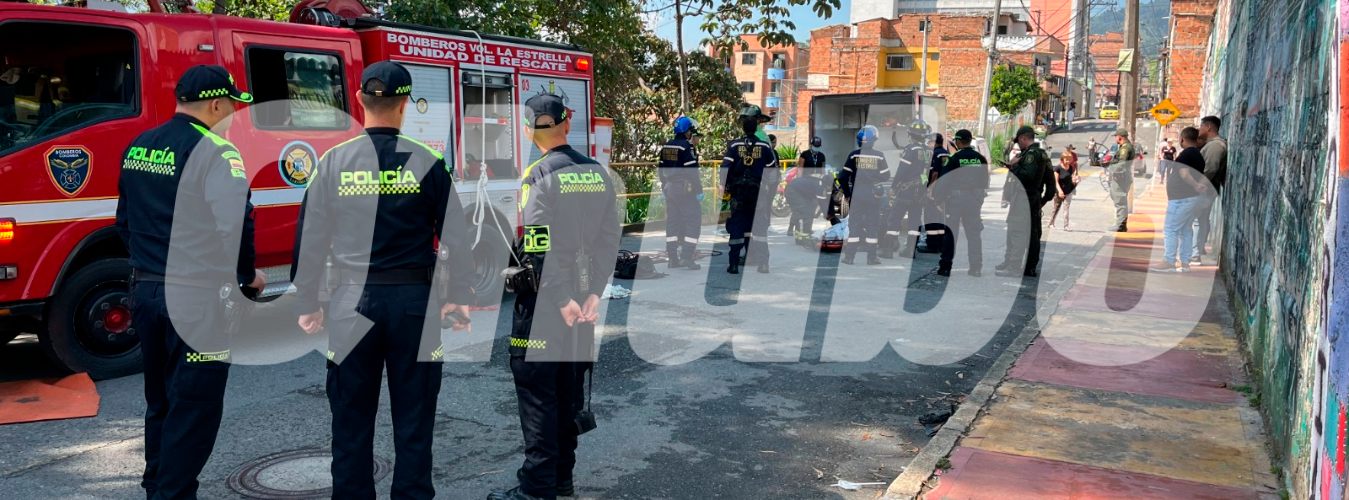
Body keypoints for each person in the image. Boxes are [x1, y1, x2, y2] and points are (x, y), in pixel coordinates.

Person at [291, 61, 474, 500]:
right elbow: (456, 235)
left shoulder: (333, 162)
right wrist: (457, 296)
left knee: (350, 418)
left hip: (351, 302)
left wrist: (308, 303)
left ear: (359, 100)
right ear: (405, 104)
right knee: (415, 418)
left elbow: (310, 238)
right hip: (416, 303)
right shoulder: (427, 161)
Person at [115, 64, 266, 500]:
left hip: (146, 290)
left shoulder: (139, 145)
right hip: (197, 300)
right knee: (194, 409)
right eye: (232, 105)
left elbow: (124, 223)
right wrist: (245, 278)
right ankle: (172, 494)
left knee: (160, 400)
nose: (233, 113)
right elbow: (237, 223)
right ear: (216, 103)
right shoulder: (218, 151)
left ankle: (156, 486)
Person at [491, 93, 621, 500]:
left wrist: (562, 298)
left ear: (530, 130)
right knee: (567, 393)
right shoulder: (597, 172)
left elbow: (537, 245)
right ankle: (561, 479)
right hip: (583, 303)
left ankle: (537, 489)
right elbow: (609, 240)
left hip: (549, 306)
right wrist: (592, 295)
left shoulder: (538, 174)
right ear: (568, 123)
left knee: (539, 396)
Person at [720, 105, 780, 274]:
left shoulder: (733, 146)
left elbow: (725, 168)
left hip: (738, 193)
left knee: (738, 227)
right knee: (759, 228)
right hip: (758, 192)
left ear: (742, 128)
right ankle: (763, 264)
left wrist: (722, 186)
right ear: (756, 128)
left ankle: (733, 264)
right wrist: (769, 191)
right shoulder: (765, 146)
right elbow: (771, 171)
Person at [995, 126, 1055, 277]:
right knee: (1032, 234)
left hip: (1024, 198)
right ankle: (1028, 266)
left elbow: (1026, 177)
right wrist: (1044, 199)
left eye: (1018, 141)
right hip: (1032, 198)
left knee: (1017, 232)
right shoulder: (1042, 154)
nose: (1017, 145)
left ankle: (1014, 266)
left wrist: (1013, 166)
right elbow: (1051, 182)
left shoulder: (1031, 155)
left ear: (1023, 138)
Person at [1151, 126, 1209, 273]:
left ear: (1182, 138)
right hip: (1191, 199)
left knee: (1170, 229)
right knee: (1185, 230)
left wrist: (1196, 186)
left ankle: (1169, 261)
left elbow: (1185, 174)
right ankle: (1185, 262)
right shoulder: (1198, 155)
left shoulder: (1185, 155)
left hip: (1181, 199)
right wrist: (1198, 186)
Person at [932, 129, 989, 277]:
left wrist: (938, 199)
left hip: (955, 201)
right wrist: (978, 201)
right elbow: (984, 183)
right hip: (974, 201)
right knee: (974, 234)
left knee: (951, 234)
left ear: (957, 142)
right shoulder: (980, 158)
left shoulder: (954, 158)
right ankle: (976, 268)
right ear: (970, 140)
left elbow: (944, 181)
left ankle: (945, 267)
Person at [837, 125, 892, 265]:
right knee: (872, 225)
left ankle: (849, 257)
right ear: (874, 140)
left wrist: (848, 194)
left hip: (856, 194)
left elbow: (843, 177)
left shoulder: (854, 155)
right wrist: (875, 179)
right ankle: (872, 258)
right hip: (873, 195)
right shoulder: (879, 155)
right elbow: (886, 175)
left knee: (854, 225)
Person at [659, 116, 703, 270]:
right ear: (687, 131)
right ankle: (686, 257)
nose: (691, 133)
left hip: (669, 189)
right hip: (684, 190)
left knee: (672, 223)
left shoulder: (666, 147)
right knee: (693, 221)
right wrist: (699, 190)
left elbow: (661, 169)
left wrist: (663, 187)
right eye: (691, 130)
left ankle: (672, 259)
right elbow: (692, 172)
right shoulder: (685, 147)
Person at [882, 120, 929, 258]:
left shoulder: (911, 149)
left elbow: (902, 170)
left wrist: (894, 187)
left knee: (894, 219)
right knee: (914, 221)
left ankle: (888, 250)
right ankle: (910, 250)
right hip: (920, 192)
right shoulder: (928, 151)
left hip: (906, 191)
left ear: (911, 135)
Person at [1193, 115, 1227, 263]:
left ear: (1208, 127)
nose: (1199, 129)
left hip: (1206, 189)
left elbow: (1211, 168)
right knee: (1201, 219)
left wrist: (1198, 185)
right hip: (1207, 188)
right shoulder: (1211, 144)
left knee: (1196, 221)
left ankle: (1194, 253)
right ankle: (1197, 250)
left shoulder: (1215, 145)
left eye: (1201, 126)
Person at [786, 150, 829, 247]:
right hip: (795, 190)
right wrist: (829, 216)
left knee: (809, 211)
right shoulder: (820, 185)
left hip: (804, 189)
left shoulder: (821, 156)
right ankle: (802, 237)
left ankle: (804, 234)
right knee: (802, 212)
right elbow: (823, 203)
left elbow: (823, 169)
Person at [1105, 128, 1135, 232]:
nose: (1115, 139)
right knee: (1118, 199)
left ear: (1119, 137)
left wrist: (1114, 172)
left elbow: (1122, 163)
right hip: (1122, 177)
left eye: (1116, 137)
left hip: (1120, 178)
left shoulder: (1124, 148)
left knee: (1120, 201)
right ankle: (1121, 224)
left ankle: (1120, 225)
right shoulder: (1125, 147)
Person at [1048, 144, 1079, 230]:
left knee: (1066, 208)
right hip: (1059, 191)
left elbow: (1071, 178)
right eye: (1066, 159)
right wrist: (1060, 191)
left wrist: (1075, 180)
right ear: (1062, 159)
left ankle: (1066, 226)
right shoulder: (1058, 168)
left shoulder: (1071, 168)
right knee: (1056, 207)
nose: (1068, 161)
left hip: (1068, 191)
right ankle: (1051, 223)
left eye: (1070, 159)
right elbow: (1056, 181)